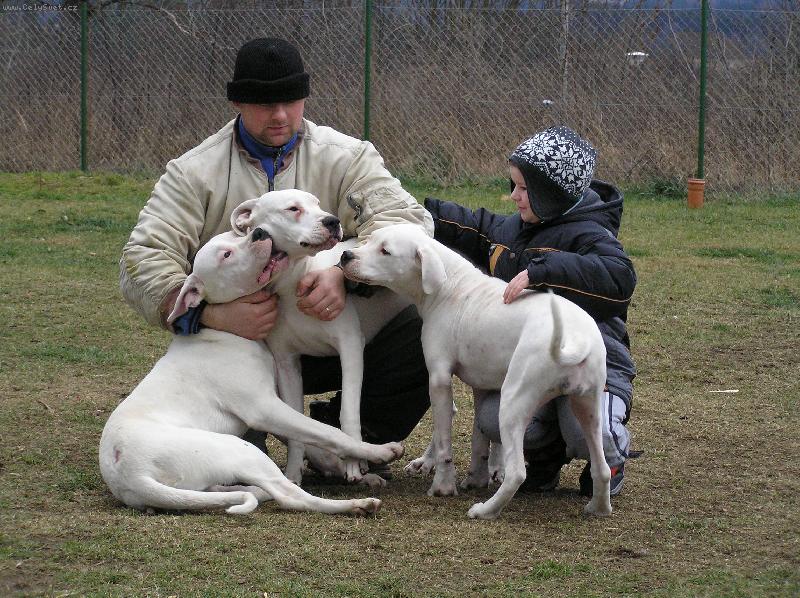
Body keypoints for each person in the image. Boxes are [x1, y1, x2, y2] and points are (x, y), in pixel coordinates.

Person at [120, 37, 432, 447]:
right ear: (237, 102)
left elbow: (407, 222)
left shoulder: (348, 158)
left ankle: (351, 442)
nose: (281, 115)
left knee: (422, 327)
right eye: (265, 104)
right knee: (237, 465)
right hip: (244, 345)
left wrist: (345, 276)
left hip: (336, 332)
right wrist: (210, 316)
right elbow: (143, 258)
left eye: (291, 100)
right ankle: (253, 439)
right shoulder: (193, 173)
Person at [424, 126, 637, 495]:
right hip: (533, 362)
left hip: (589, 362)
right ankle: (543, 458)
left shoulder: (592, 235)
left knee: (586, 431)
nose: (514, 196)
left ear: (550, 195)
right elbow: (469, 225)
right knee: (494, 419)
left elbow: (619, 277)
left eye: (524, 189)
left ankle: (610, 458)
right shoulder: (512, 230)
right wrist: (416, 210)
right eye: (514, 185)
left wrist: (544, 271)